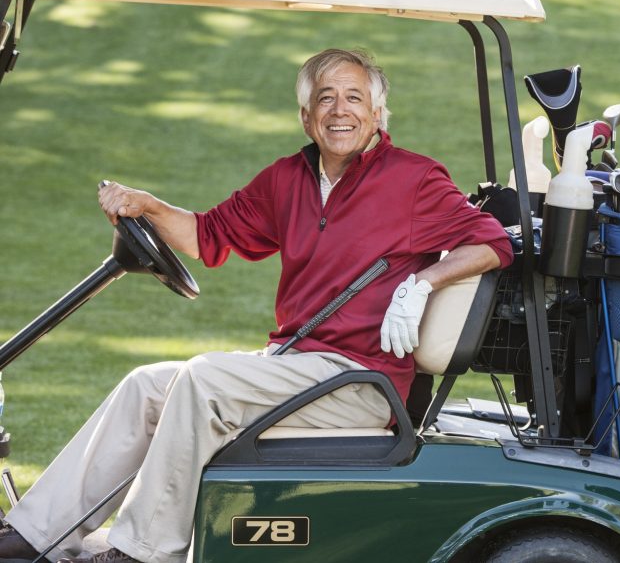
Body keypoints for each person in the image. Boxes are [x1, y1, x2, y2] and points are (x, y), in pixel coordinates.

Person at [0, 48, 513, 563]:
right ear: (306, 117)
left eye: (354, 98)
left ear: (377, 114)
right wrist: (148, 207)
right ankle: (33, 534)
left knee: (203, 380)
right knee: (145, 386)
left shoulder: (414, 180)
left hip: (361, 380)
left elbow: (493, 243)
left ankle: (143, 551)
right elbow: (209, 235)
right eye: (325, 98)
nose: (340, 110)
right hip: (294, 365)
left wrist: (422, 283)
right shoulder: (288, 178)